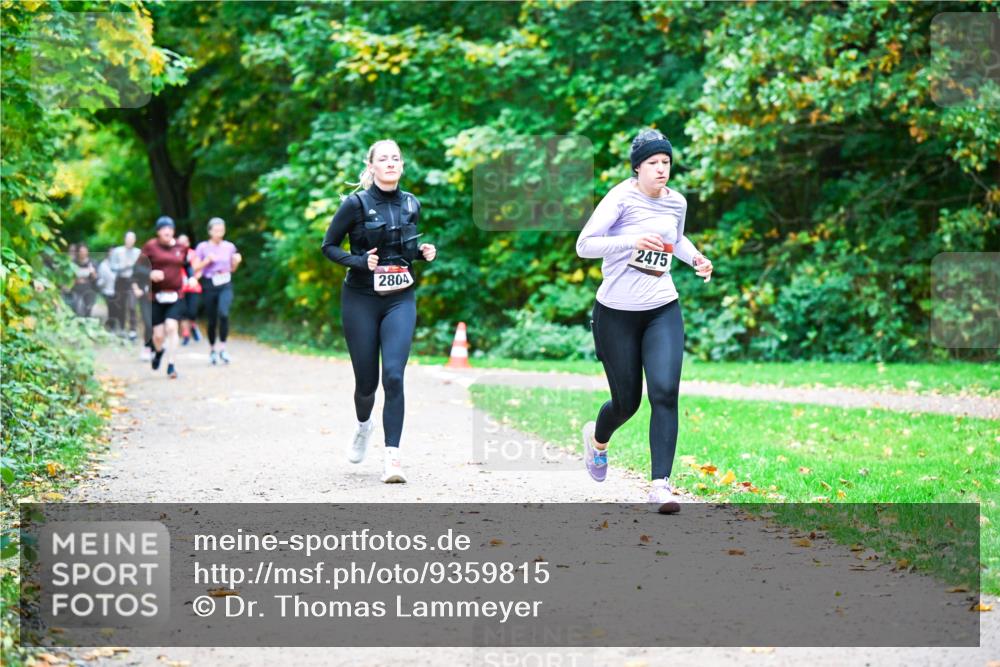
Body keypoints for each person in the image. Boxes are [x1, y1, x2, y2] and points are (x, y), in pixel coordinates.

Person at [576, 128, 714, 514]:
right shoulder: (621, 198)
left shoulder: (676, 203)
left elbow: (678, 240)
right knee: (627, 403)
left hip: (661, 308)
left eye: (666, 162)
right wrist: (631, 240)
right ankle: (598, 440)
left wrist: (697, 259)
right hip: (616, 314)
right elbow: (585, 245)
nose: (661, 169)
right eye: (653, 163)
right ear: (637, 168)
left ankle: (660, 485)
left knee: (665, 392)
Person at [321, 139, 436, 483]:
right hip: (360, 298)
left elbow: (405, 249)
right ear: (370, 167)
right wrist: (359, 261)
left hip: (400, 297)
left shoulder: (412, 204)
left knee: (395, 377)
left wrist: (423, 252)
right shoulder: (356, 204)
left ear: (402, 166)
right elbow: (328, 246)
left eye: (395, 158)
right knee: (367, 384)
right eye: (383, 159)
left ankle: (392, 458)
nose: (390, 163)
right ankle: (362, 426)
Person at [140, 216, 189, 379]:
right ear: (158, 232)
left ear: (173, 231)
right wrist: (150, 273)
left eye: (170, 228)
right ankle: (159, 352)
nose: (167, 231)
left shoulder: (181, 248)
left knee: (172, 327)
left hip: (176, 295)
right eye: (164, 228)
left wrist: (193, 276)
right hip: (156, 297)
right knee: (158, 336)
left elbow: (189, 265)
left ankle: (171, 365)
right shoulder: (150, 246)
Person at [196, 218, 241, 365]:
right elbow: (196, 268)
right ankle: (212, 350)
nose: (219, 233)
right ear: (209, 231)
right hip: (210, 284)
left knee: (224, 313)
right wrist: (207, 261)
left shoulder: (229, 247)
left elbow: (233, 269)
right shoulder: (203, 247)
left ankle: (223, 348)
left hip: (225, 283)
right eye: (216, 230)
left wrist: (236, 262)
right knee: (212, 319)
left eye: (221, 230)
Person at [109, 231, 141, 340]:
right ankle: (122, 328)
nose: (130, 240)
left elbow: (141, 268)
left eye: (132, 238)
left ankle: (133, 330)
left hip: (133, 281)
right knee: (120, 305)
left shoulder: (138, 252)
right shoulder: (118, 251)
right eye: (128, 238)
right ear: (124, 239)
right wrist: (124, 266)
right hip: (120, 281)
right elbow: (112, 267)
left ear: (135, 240)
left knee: (132, 306)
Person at [176, 233, 205, 346]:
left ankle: (193, 325)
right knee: (183, 313)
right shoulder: (174, 254)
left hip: (193, 288)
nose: (182, 244)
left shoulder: (194, 255)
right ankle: (186, 335)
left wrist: (194, 278)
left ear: (188, 243)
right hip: (179, 289)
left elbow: (199, 270)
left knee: (191, 312)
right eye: (180, 242)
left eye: (185, 242)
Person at [70, 244, 98, 317]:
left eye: (84, 251)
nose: (83, 253)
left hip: (89, 289)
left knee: (88, 309)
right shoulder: (73, 263)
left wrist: (92, 272)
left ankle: (87, 324)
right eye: (81, 251)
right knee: (76, 308)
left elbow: (96, 278)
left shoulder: (92, 262)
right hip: (76, 289)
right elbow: (70, 277)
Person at [95, 255, 118, 330]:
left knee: (115, 308)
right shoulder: (103, 265)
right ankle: (110, 325)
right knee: (111, 308)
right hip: (107, 291)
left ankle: (111, 324)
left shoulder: (118, 263)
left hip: (118, 291)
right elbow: (100, 279)